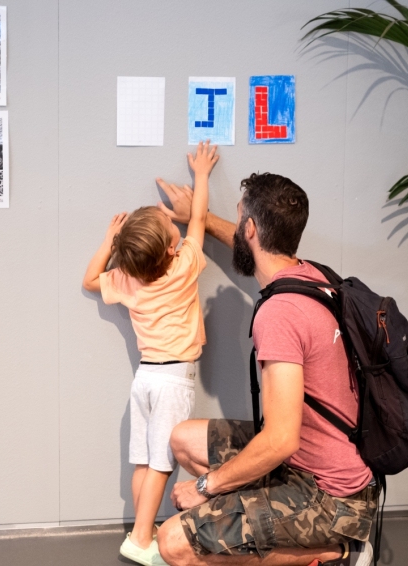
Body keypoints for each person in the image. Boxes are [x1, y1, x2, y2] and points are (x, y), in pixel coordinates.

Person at [153, 174, 379, 566]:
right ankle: (254, 520)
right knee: (183, 439)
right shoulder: (316, 276)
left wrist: (206, 488)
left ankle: (341, 552)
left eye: (241, 220)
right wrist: (201, 216)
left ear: (252, 228)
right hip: (311, 463)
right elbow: (249, 243)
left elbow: (280, 440)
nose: (238, 227)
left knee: (172, 542)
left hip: (331, 497)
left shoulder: (280, 313)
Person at [82, 141, 220, 566]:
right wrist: (201, 175)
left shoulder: (126, 280)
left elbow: (90, 281)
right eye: (167, 227)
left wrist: (109, 241)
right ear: (169, 250)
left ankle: (139, 532)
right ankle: (143, 539)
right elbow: (197, 219)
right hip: (174, 379)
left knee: (144, 460)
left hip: (144, 379)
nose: (173, 224)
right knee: (162, 463)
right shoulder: (184, 267)